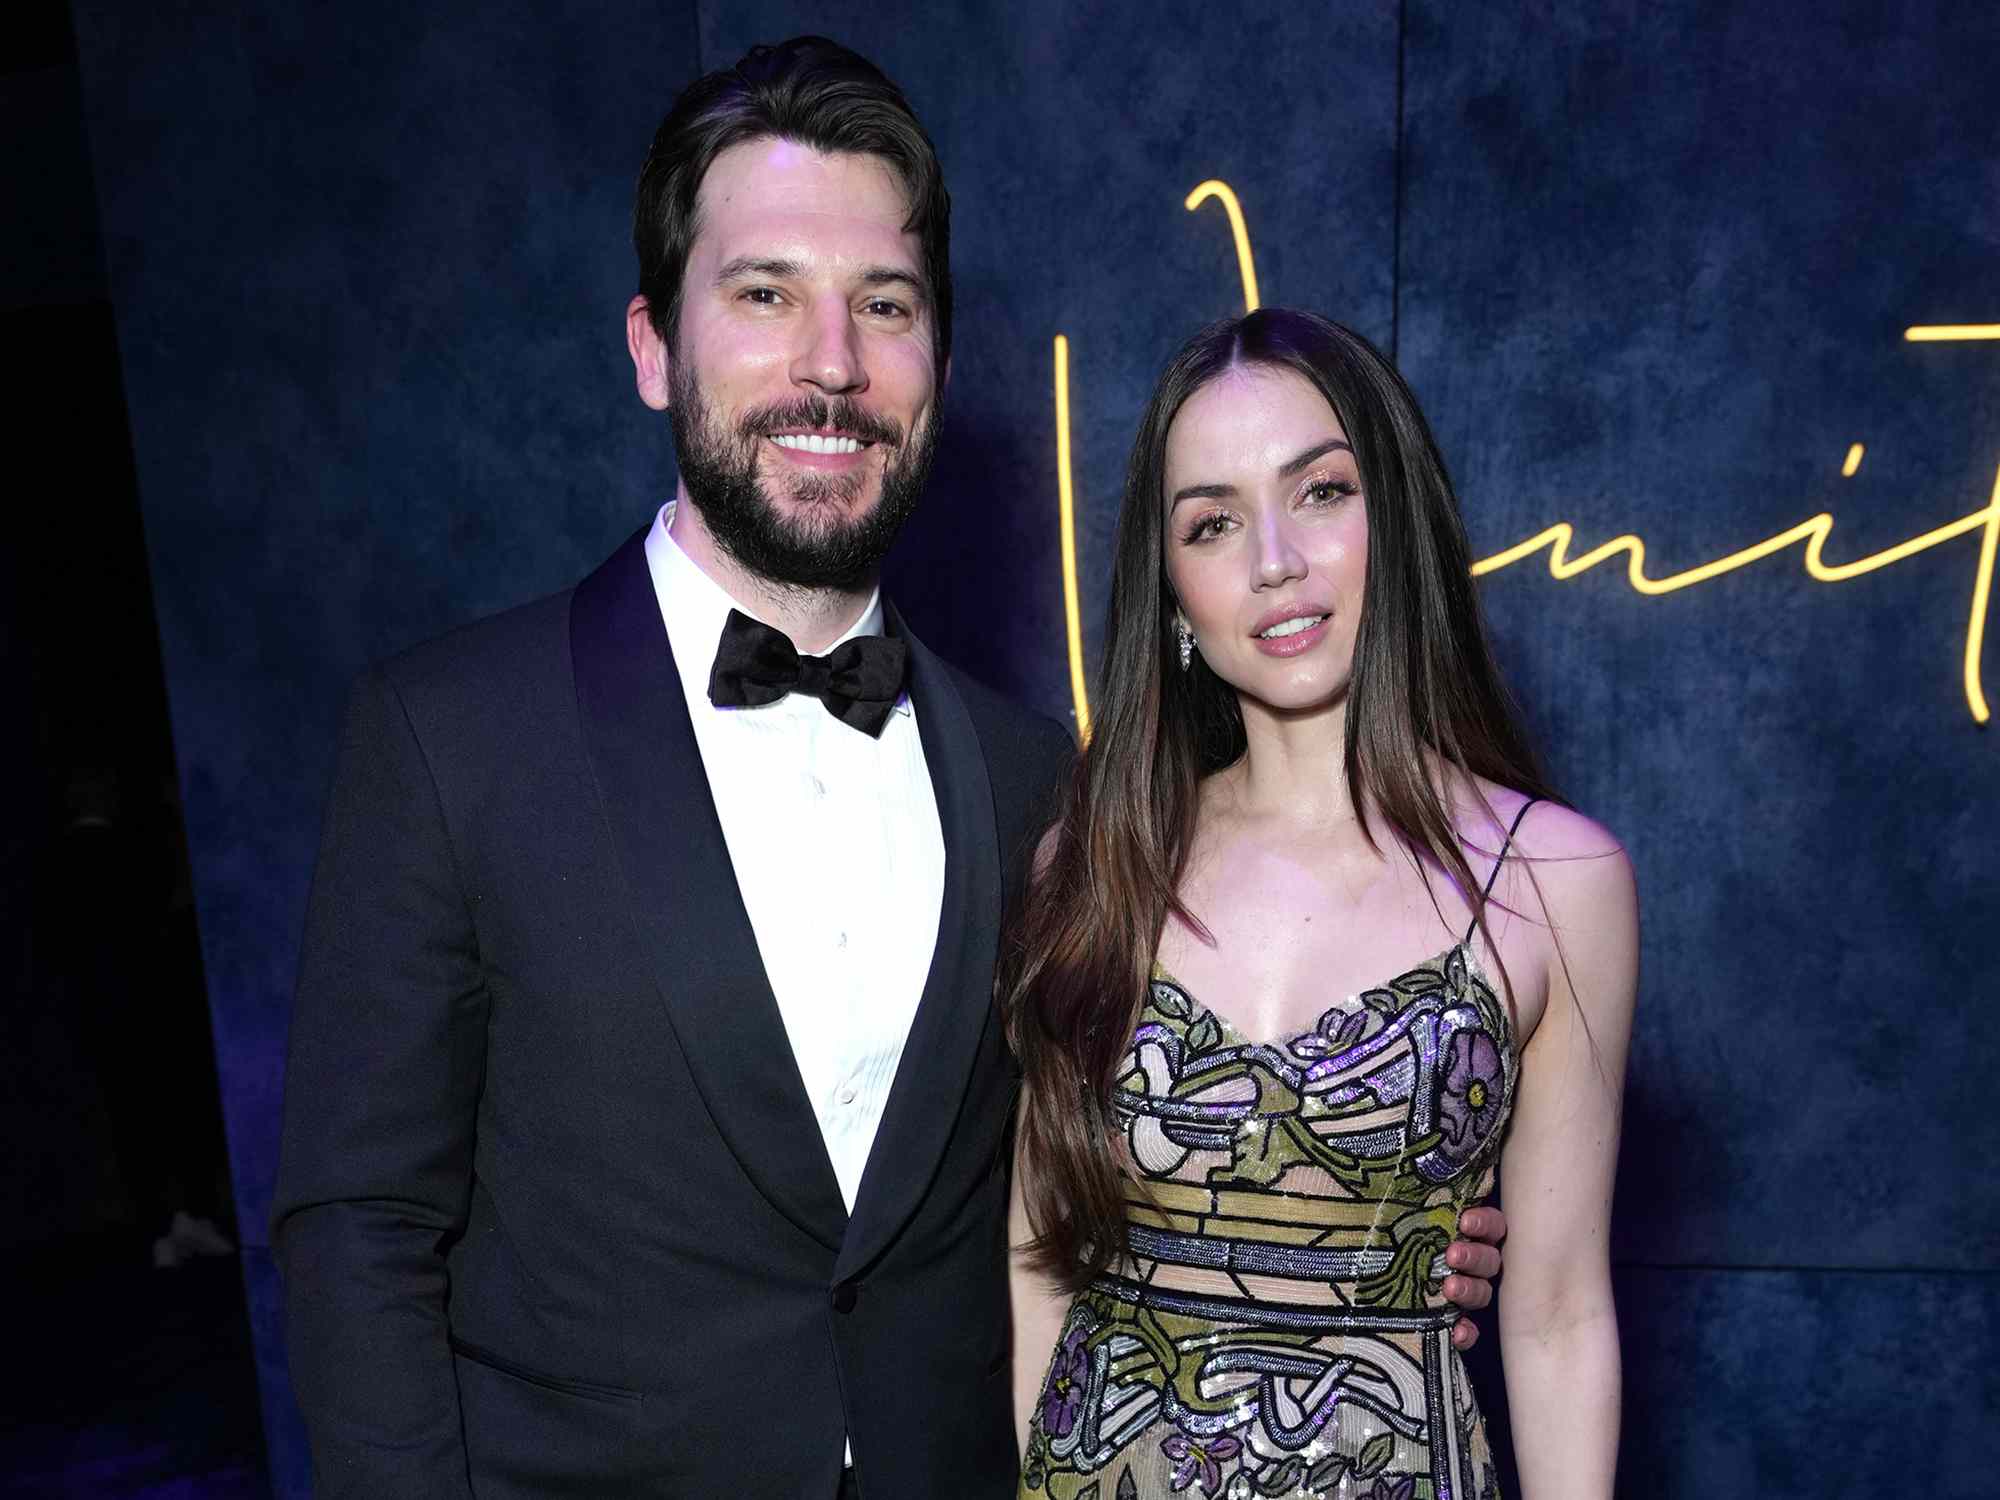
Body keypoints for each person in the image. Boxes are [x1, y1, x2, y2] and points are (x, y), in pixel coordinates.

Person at [272, 40, 1505, 1500]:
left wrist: (1375, 1222)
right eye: (764, 293)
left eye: (884, 304)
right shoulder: (447, 735)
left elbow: (1106, 1172)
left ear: (935, 359)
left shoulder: (1042, 781)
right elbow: (357, 1231)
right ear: (652, 345)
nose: (832, 362)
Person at [1006, 310, 1637, 1499]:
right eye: (1212, 522)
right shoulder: (1087, 867)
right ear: (1171, 588)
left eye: (1320, 493)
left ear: (1393, 515)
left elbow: (1555, 1314)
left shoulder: (1556, 884)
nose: (1273, 563)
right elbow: (1040, 1263)